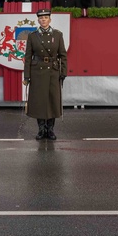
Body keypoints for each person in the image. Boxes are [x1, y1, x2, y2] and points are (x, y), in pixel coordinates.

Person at [23, 8, 68, 141]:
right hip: (37, 72)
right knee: (39, 101)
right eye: (41, 18)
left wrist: (63, 72)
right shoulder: (32, 36)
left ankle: (51, 129)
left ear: (50, 19)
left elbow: (63, 55)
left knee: (52, 100)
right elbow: (28, 56)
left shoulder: (58, 35)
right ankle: (41, 129)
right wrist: (27, 76)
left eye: (46, 18)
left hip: (53, 71)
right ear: (38, 20)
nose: (43, 20)